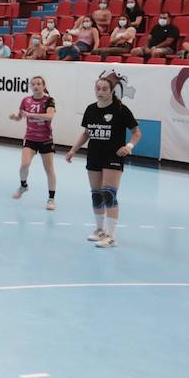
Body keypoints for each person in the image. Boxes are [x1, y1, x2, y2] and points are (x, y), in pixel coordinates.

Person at [65, 74, 141, 248]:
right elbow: (86, 133)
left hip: (113, 156)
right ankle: (99, 229)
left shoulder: (121, 109)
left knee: (109, 194)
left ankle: (111, 236)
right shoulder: (91, 109)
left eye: (104, 89)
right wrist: (73, 150)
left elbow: (137, 132)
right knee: (96, 195)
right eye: (97, 88)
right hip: (94, 154)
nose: (100, 92)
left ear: (112, 90)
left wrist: (129, 146)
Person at [9, 76, 58, 210]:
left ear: (43, 86)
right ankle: (23, 186)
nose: (36, 86)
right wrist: (15, 117)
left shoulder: (49, 100)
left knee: (49, 170)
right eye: (33, 84)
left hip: (46, 139)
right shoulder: (26, 100)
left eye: (38, 84)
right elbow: (20, 117)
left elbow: (49, 116)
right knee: (24, 165)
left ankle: (51, 199)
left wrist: (29, 115)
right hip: (30, 138)